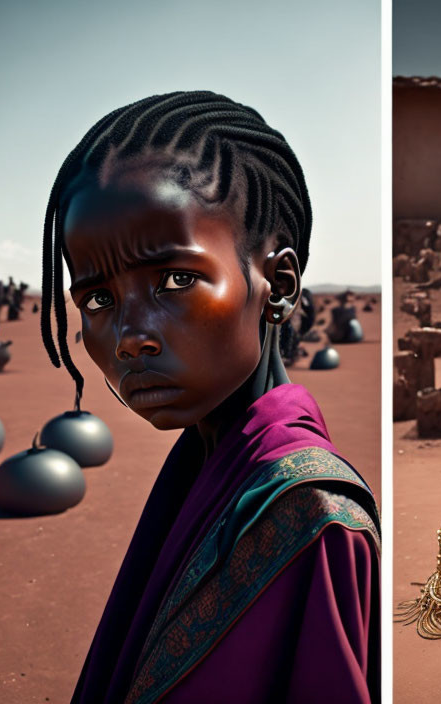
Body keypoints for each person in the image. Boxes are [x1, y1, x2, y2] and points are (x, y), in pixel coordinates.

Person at [40, 92, 380, 703]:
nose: (129, 337)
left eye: (175, 280)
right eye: (98, 300)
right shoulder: (211, 459)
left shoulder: (308, 515)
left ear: (276, 286)